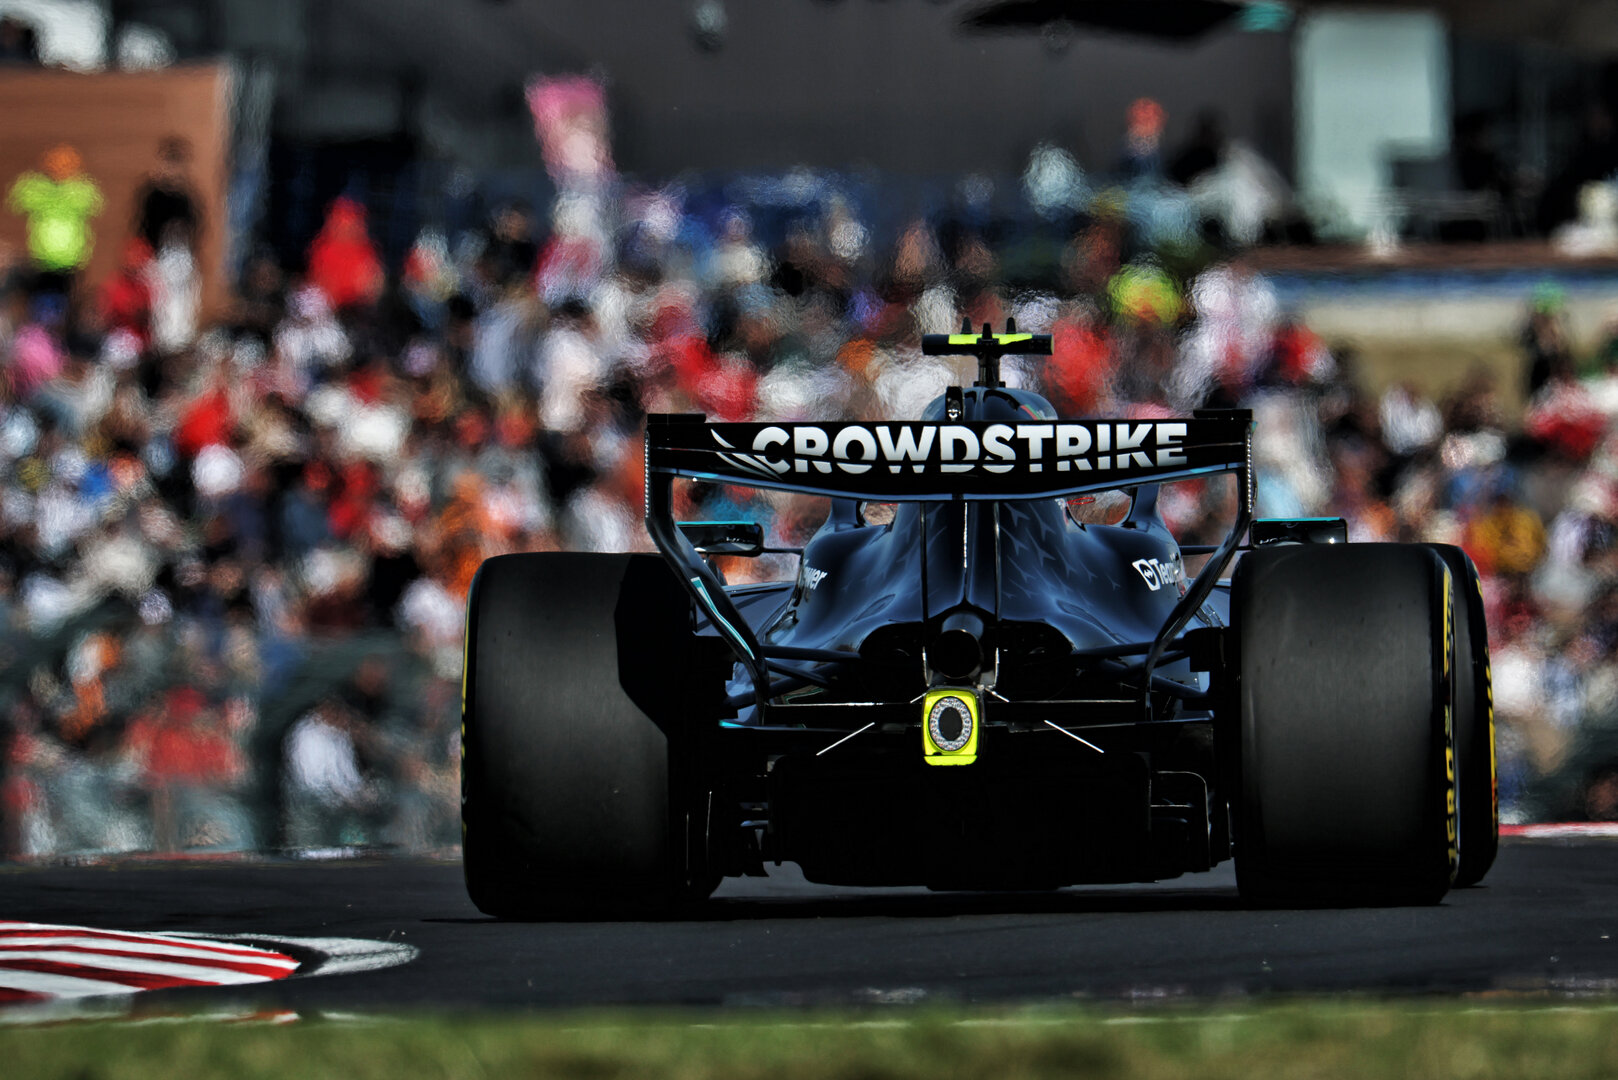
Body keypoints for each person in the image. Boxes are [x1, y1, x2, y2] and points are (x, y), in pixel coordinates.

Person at [5, 145, 103, 298]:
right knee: (43, 299)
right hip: (43, 259)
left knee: (65, 300)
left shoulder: (80, 190)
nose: (60, 171)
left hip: (71, 260)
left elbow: (96, 203)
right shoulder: (38, 188)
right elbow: (15, 200)